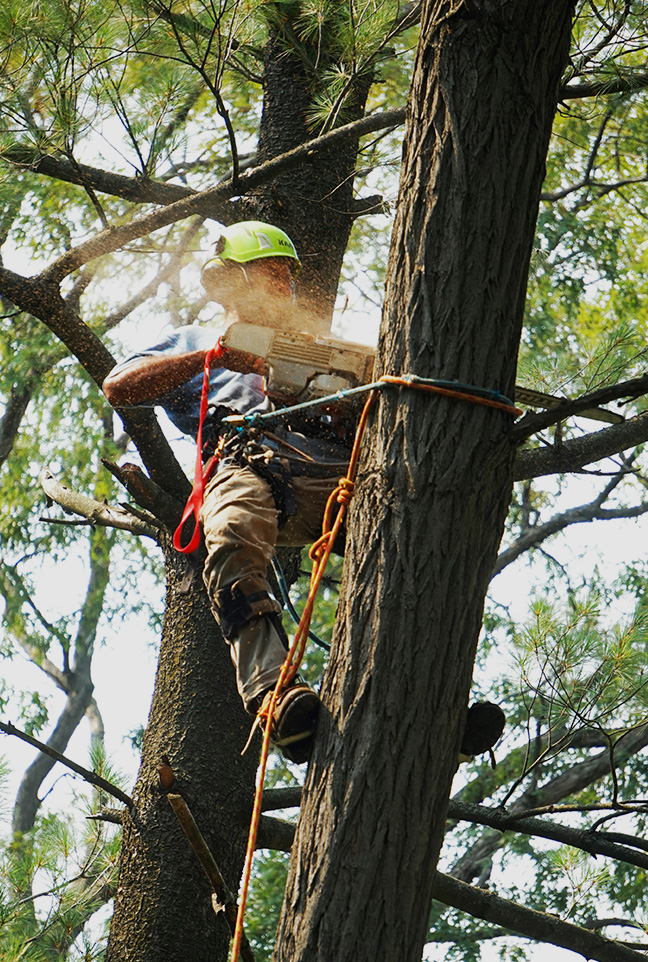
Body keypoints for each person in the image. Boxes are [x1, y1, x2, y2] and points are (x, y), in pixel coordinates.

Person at [103, 220, 505, 766]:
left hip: (338, 475)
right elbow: (120, 388)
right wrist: (217, 358)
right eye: (271, 273)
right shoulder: (196, 342)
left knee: (418, 541)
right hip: (250, 465)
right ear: (230, 282)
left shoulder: (320, 348)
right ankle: (274, 697)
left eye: (288, 276)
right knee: (234, 533)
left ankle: (431, 703)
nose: (284, 286)